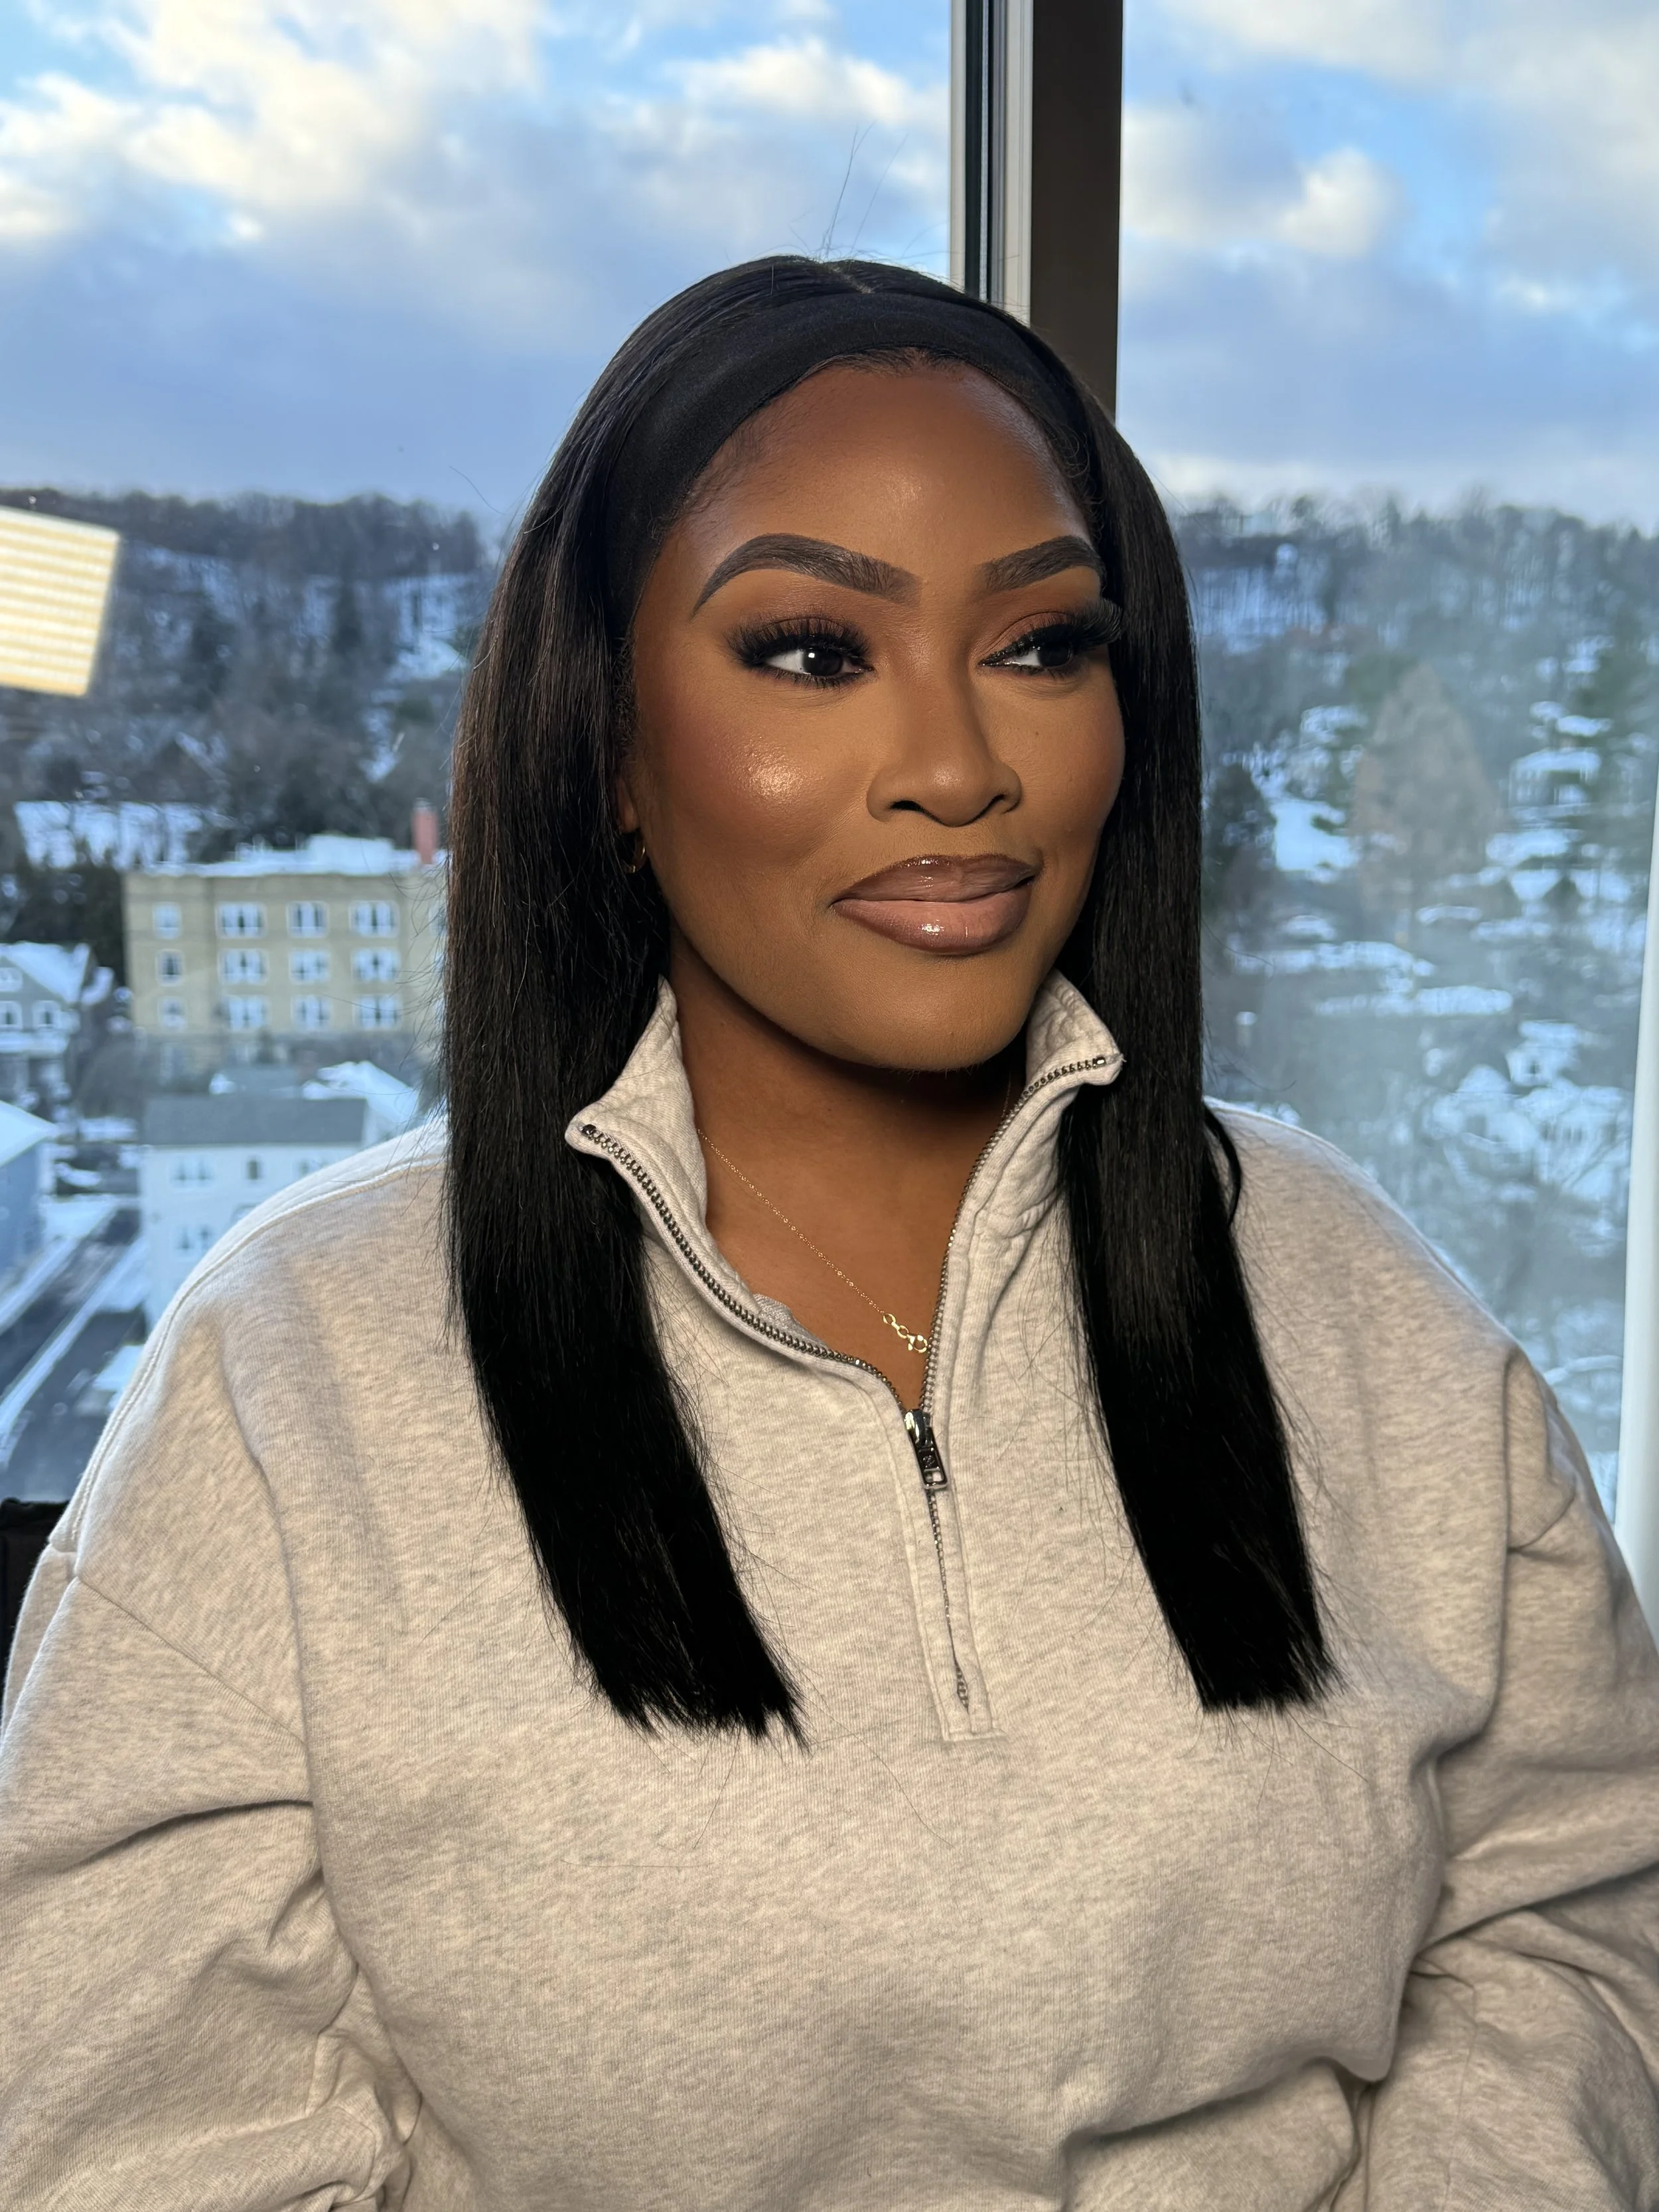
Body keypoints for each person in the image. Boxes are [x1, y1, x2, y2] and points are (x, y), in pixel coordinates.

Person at [2, 256, 1657, 2209]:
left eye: (1042, 645)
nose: (957, 769)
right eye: (808, 648)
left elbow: (1568, 1918)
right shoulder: (290, 1372)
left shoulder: (1357, 1296)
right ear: (606, 746)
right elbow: (127, 2131)